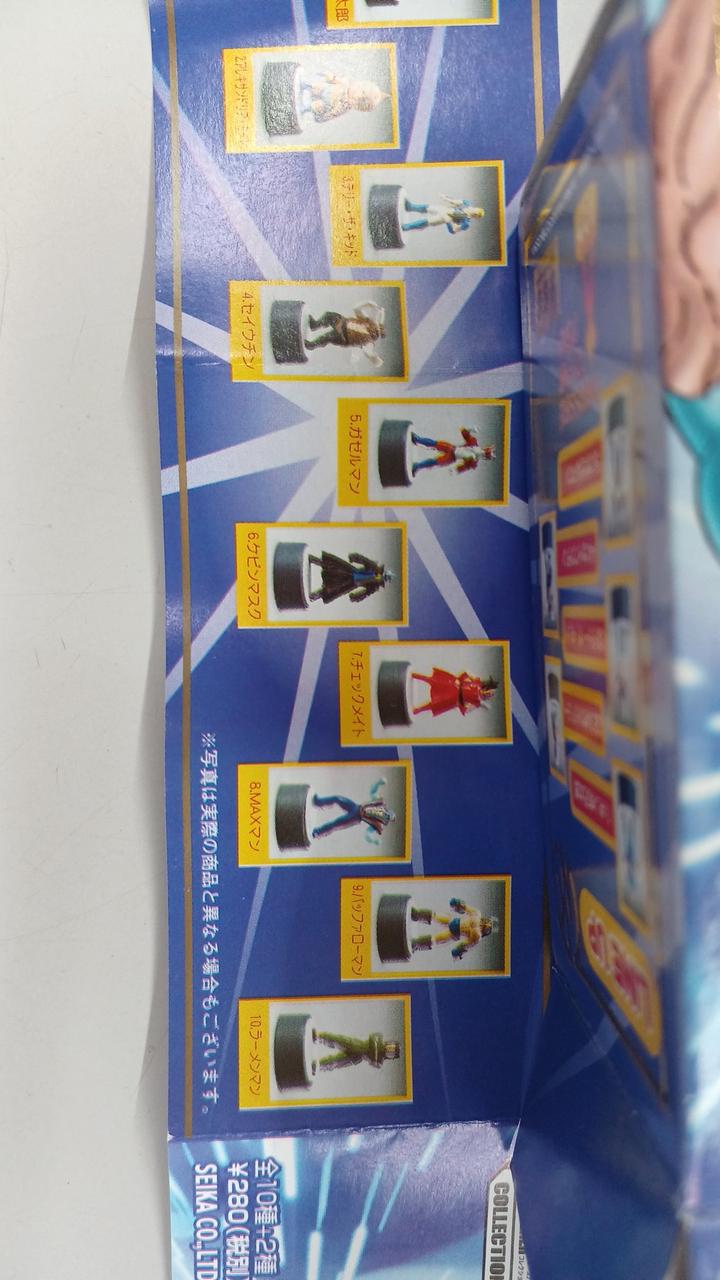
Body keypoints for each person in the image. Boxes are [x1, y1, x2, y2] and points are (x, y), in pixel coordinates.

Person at [410, 899, 497, 960]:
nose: (487, 924)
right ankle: (417, 914)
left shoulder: (477, 936)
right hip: (452, 921)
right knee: (435, 916)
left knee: (434, 940)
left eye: (489, 927)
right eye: (489, 922)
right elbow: (465, 907)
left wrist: (459, 951)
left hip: (453, 934)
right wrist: (457, 904)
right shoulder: (477, 914)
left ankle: (417, 944)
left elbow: (466, 945)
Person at [304, 302, 386, 367]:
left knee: (328, 337)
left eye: (376, 332)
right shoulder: (367, 320)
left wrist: (373, 358)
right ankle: (314, 325)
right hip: (343, 323)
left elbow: (367, 352)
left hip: (344, 337)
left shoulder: (369, 342)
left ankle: (312, 345)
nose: (374, 330)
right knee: (329, 316)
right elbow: (356, 309)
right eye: (376, 328)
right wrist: (367, 304)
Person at [299, 71, 389, 124]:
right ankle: (305, 86)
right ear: (361, 85)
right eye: (362, 91)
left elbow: (335, 112)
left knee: (318, 105)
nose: (358, 95)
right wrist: (329, 76)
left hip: (327, 104)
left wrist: (329, 114)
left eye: (361, 100)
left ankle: (305, 109)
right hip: (326, 90)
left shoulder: (345, 105)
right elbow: (335, 79)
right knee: (318, 86)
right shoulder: (346, 84)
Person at [308, 550, 393, 604]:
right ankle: (315, 560)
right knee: (333, 566)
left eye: (383, 578)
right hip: (351, 572)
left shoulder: (374, 586)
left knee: (334, 589)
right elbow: (364, 560)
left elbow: (365, 594)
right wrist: (355, 558)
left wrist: (356, 597)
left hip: (352, 583)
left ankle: (317, 595)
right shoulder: (373, 567)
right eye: (383, 575)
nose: (380, 577)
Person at [311, 789, 396, 841]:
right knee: (337, 799)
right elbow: (376, 798)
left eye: (387, 817)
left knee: (335, 824)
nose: (385, 815)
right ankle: (319, 802)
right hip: (356, 807)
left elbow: (373, 830)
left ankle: (318, 832)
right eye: (387, 814)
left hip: (355, 818)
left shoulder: (379, 824)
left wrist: (372, 836)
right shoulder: (380, 805)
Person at [412, 669, 499, 717]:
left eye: (491, 695)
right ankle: (417, 676)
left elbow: (467, 710)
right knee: (435, 680)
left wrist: (462, 705)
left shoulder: (477, 702)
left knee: (436, 704)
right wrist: (460, 679)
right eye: (490, 692)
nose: (489, 694)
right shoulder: (477, 682)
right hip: (455, 685)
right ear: (487, 687)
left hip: (455, 699)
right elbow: (466, 673)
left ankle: (419, 710)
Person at [410, 427, 496, 476]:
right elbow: (464, 432)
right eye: (484, 453)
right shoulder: (473, 443)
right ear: (483, 449)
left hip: (451, 458)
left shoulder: (473, 462)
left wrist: (456, 470)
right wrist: (470, 429)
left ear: (484, 458)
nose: (482, 454)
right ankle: (418, 439)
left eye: (484, 456)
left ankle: (418, 466)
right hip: (452, 448)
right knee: (434, 444)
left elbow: (464, 467)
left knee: (436, 462)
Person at [315, 1030, 401, 1071]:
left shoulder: (380, 1061)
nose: (390, 1049)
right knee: (337, 1040)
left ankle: (319, 1066)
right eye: (392, 1047)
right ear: (390, 1043)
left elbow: (375, 1063)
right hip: (356, 1045)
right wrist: (374, 1052)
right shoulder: (380, 1039)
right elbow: (373, 1036)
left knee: (336, 1063)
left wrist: (374, 1051)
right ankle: (319, 1037)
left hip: (356, 1058)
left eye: (392, 1051)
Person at [401, 194, 485, 235]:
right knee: (428, 207)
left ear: (475, 216)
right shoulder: (467, 204)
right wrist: (446, 199)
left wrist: (448, 222)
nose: (472, 209)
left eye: (474, 212)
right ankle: (411, 207)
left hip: (444, 218)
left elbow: (453, 230)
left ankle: (408, 226)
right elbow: (456, 202)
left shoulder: (466, 222)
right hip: (445, 210)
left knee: (427, 221)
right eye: (474, 208)